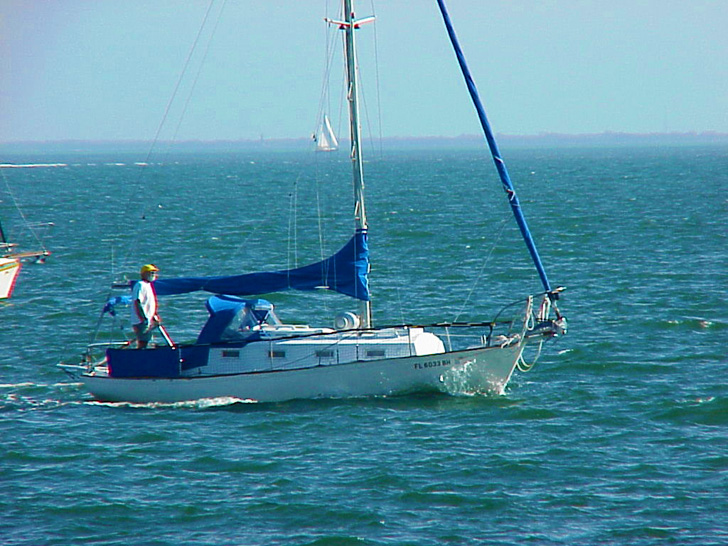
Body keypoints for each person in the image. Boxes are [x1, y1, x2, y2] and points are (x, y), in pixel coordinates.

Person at [131, 264, 161, 349]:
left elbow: (149, 303)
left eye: (154, 273)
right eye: (151, 273)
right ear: (144, 274)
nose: (153, 275)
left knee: (148, 341)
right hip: (141, 321)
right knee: (143, 342)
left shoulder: (148, 285)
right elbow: (137, 302)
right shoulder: (140, 285)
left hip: (148, 319)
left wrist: (154, 316)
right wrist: (143, 319)